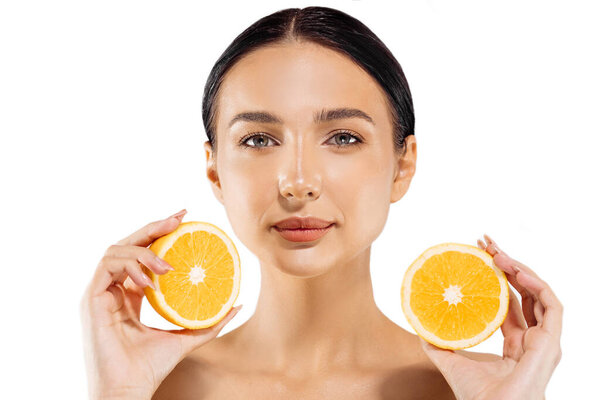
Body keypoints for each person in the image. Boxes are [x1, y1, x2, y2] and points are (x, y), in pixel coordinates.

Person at [80, 6, 563, 399]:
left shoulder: (484, 388)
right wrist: (118, 392)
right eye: (258, 140)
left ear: (403, 165)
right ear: (215, 172)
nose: (298, 182)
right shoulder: (155, 388)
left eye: (344, 137)